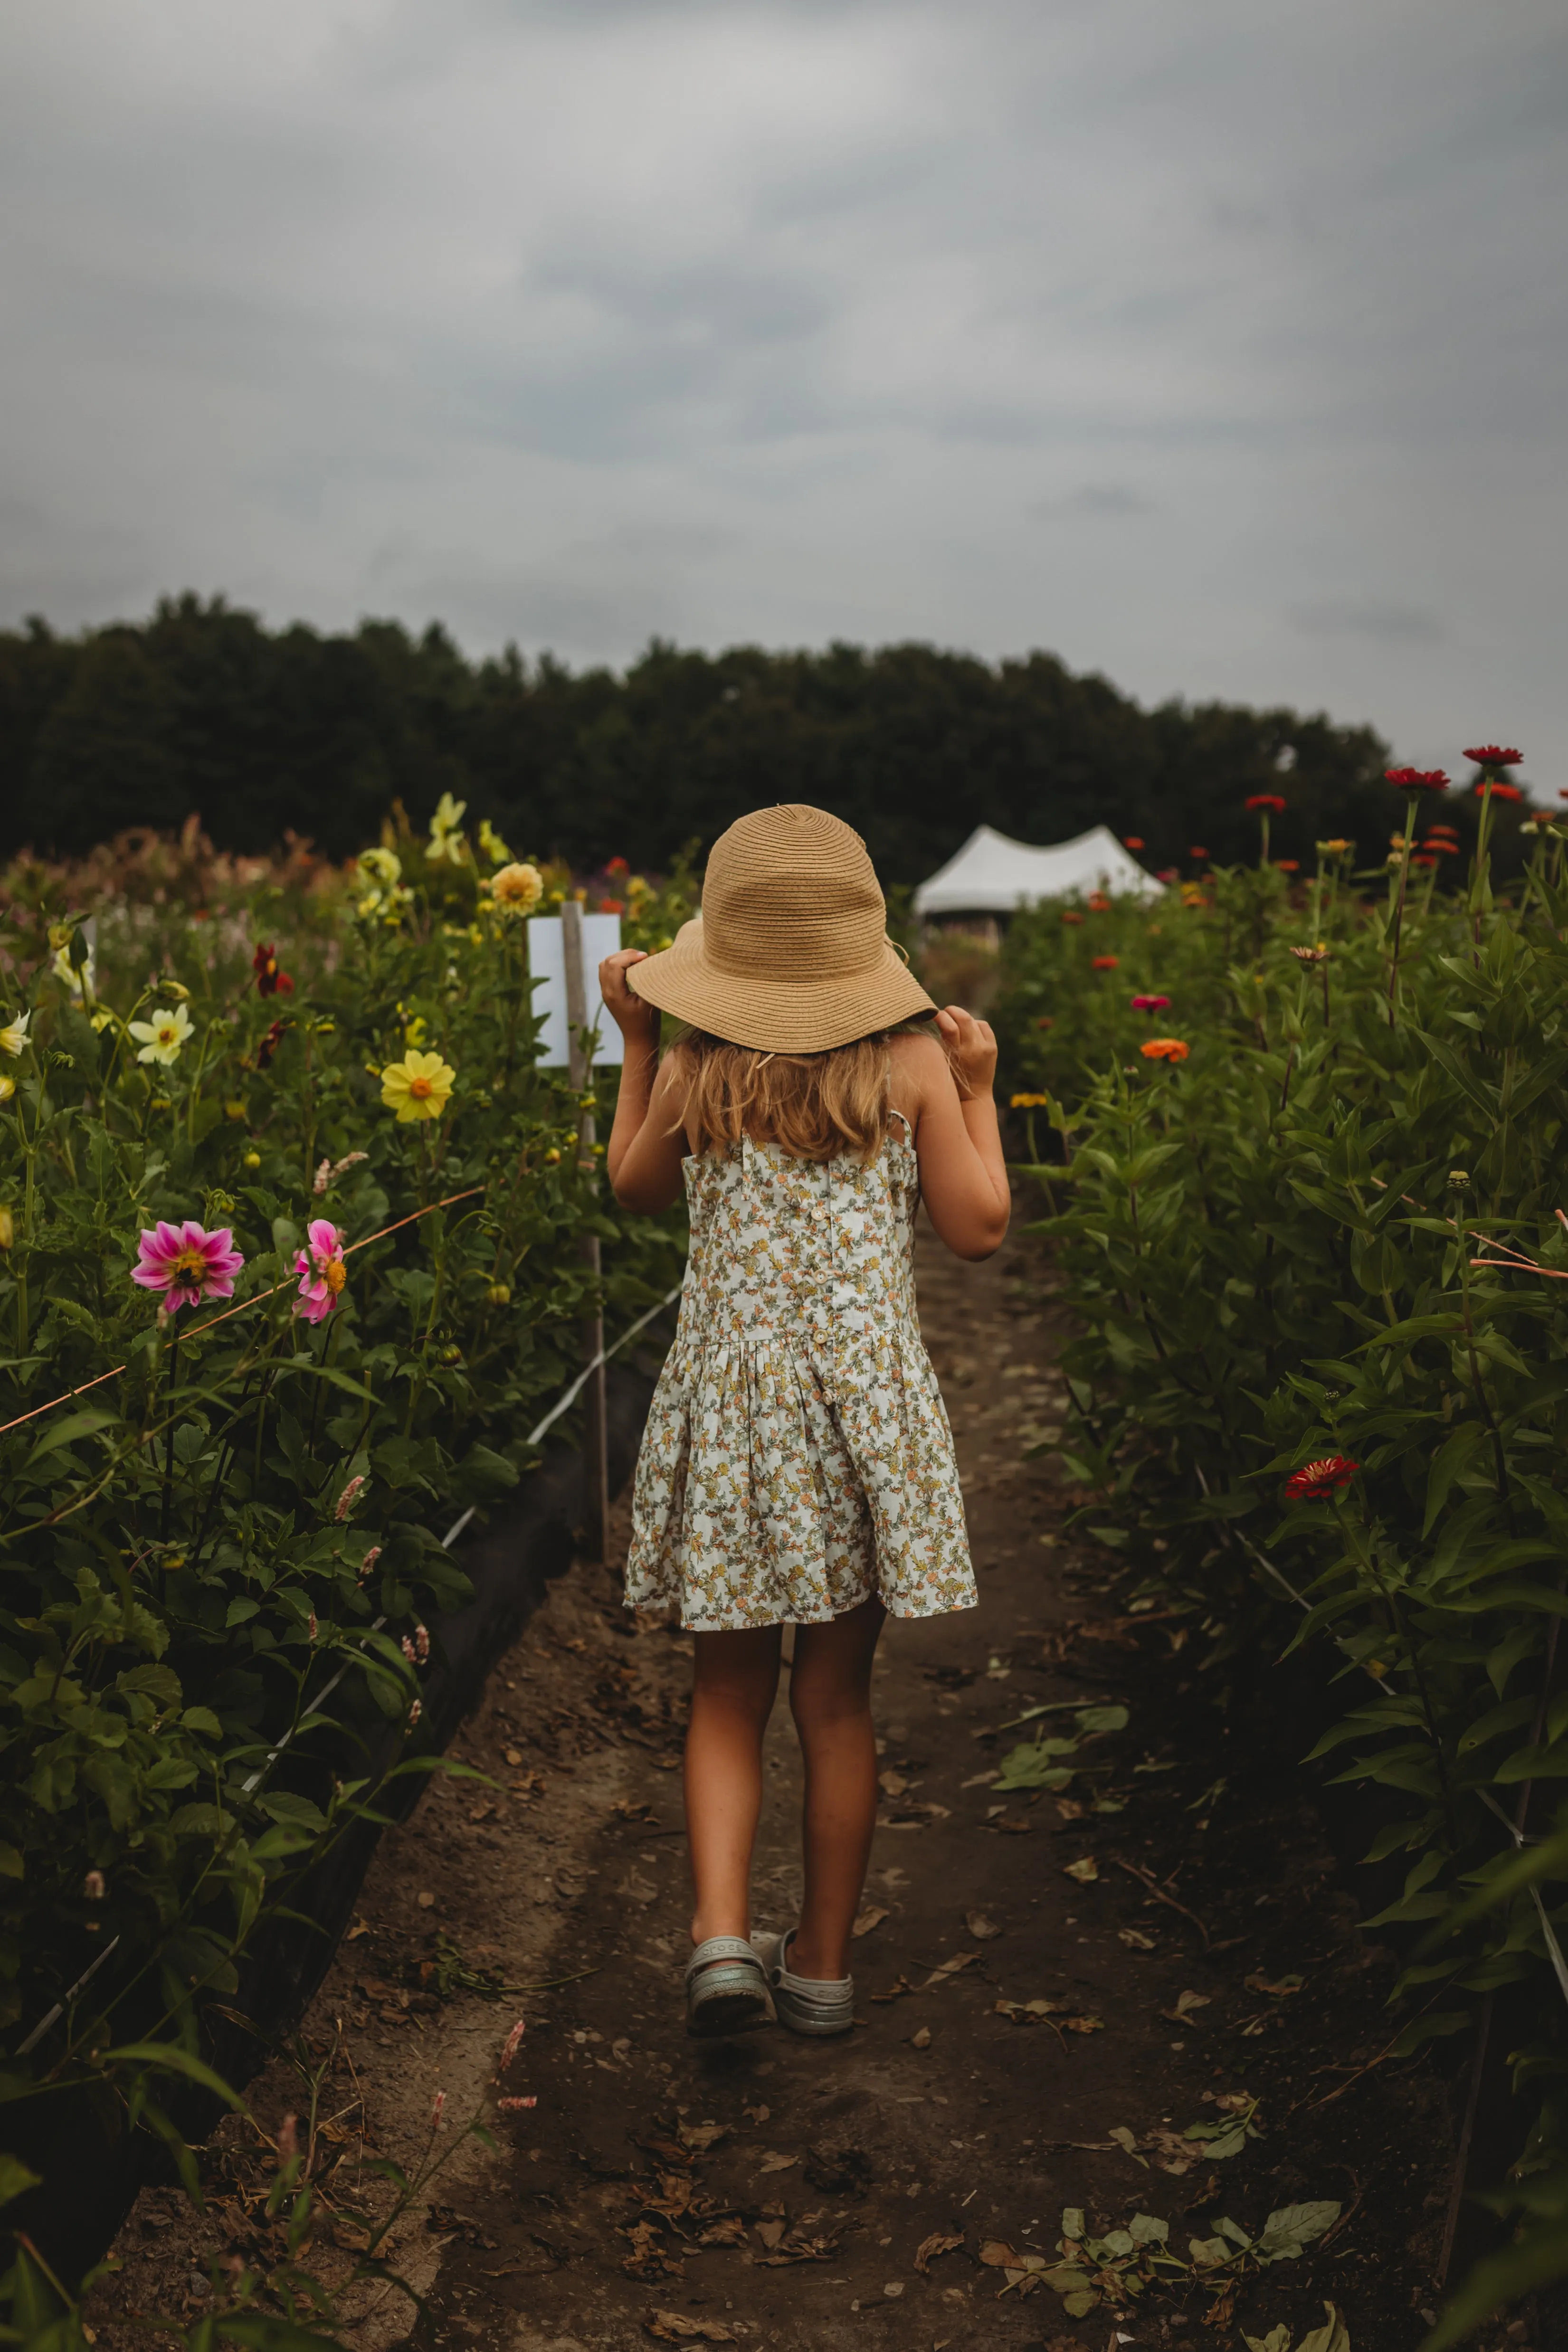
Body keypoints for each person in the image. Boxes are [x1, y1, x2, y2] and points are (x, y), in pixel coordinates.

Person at [598, 803, 1009, 2039]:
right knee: (836, 1701)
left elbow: (630, 1187)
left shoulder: (697, 1068)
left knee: (723, 1693)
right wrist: (981, 1092)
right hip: (857, 1418)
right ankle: (821, 1964)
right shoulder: (914, 1066)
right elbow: (979, 1227)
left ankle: (720, 1944)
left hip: (732, 1411)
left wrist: (637, 1041)